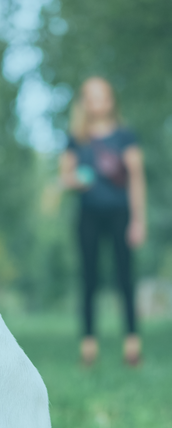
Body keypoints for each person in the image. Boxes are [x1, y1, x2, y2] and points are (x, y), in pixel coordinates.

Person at [59, 77, 146, 366]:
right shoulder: (76, 139)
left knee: (125, 278)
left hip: (120, 214)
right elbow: (65, 176)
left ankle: (132, 345)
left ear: (111, 101)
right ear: (85, 103)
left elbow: (136, 179)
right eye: (92, 97)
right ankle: (88, 347)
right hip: (89, 215)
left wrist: (138, 220)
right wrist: (75, 181)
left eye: (103, 96)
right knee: (89, 279)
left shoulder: (125, 136)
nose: (99, 102)